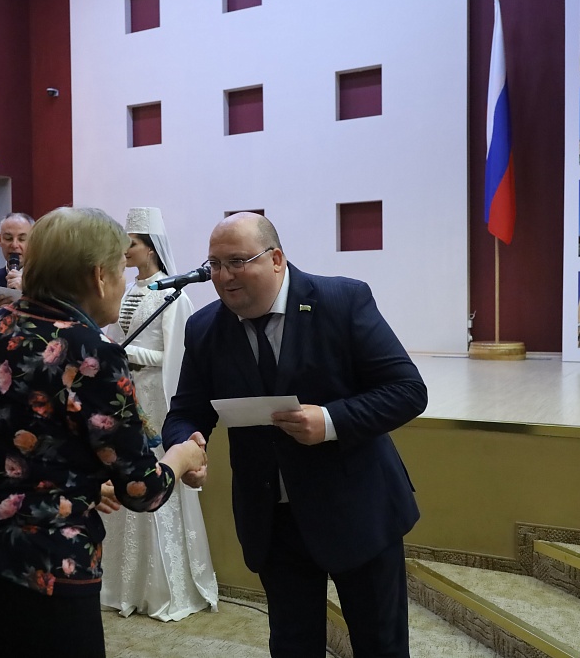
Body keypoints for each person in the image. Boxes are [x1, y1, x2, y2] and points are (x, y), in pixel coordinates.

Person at [0, 207, 208, 658]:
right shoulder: (91, 350)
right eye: (120, 269)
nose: (123, 280)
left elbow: (8, 447)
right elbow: (142, 490)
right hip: (43, 568)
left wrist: (84, 485)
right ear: (99, 275)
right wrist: (182, 457)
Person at [162, 212, 428, 657]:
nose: (223, 276)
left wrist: (330, 421)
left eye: (237, 261)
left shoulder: (342, 301)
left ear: (276, 259)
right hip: (272, 519)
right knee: (292, 645)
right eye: (215, 265)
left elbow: (407, 391)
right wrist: (186, 443)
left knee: (380, 645)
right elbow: (187, 410)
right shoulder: (205, 327)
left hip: (356, 509)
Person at [101, 207, 218, 621]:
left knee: (154, 473)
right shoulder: (121, 290)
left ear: (150, 247)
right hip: (126, 397)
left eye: (131, 243)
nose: (125, 250)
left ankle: (164, 586)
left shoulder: (174, 295)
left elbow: (177, 358)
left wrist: (127, 352)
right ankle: (122, 583)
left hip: (155, 397)